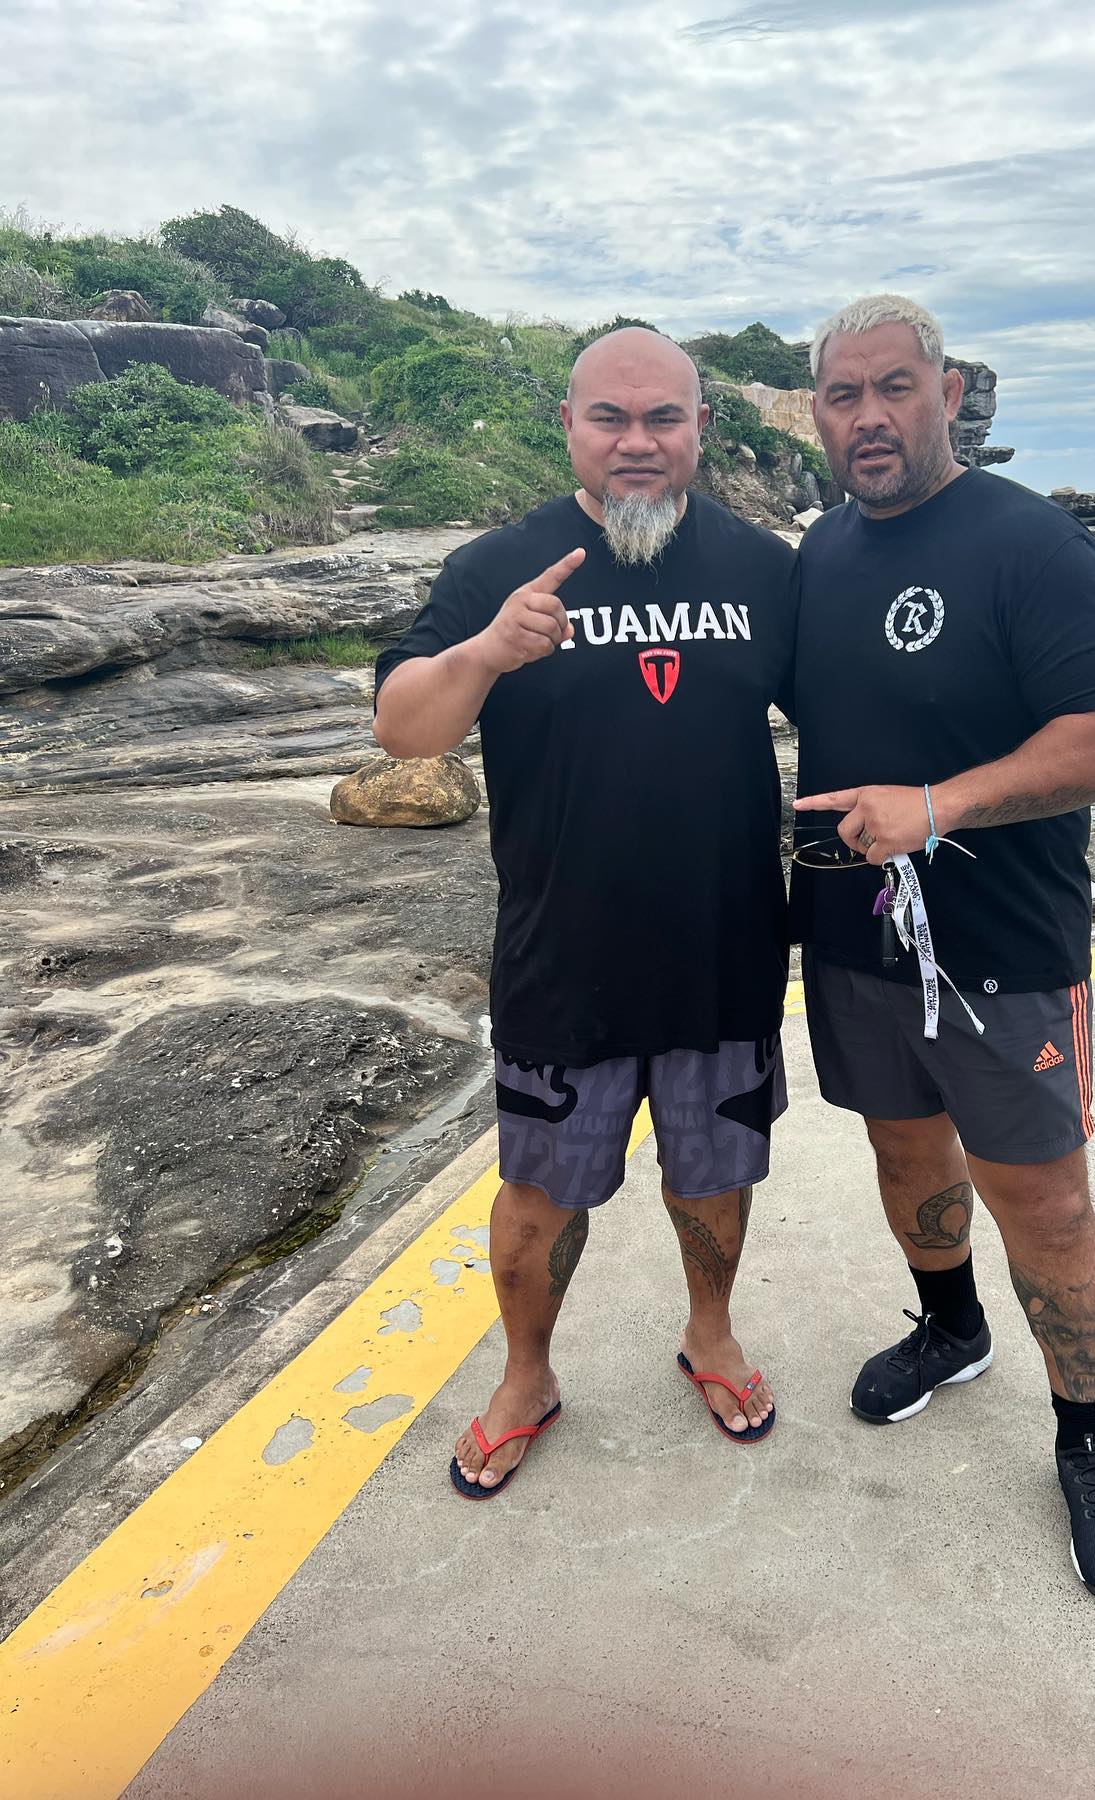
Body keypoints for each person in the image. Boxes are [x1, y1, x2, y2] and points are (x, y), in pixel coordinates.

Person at [789, 294, 1095, 1599]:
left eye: (895, 388)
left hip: (1005, 948)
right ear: (819, 415)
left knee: (1045, 1200)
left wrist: (938, 809)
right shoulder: (818, 556)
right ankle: (950, 1331)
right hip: (852, 941)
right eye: (844, 397)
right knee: (904, 1152)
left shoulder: (1031, 544)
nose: (871, 418)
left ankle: (1089, 1440)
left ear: (948, 393)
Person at [373, 327, 796, 1496]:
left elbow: (859, 712)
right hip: (563, 958)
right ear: (568, 425)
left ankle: (710, 1335)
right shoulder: (498, 567)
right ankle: (526, 1376)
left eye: (664, 418)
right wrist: (486, 652)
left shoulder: (764, 570)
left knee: (714, 1176)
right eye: (611, 417)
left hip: (725, 951)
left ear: (701, 429)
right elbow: (403, 729)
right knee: (539, 1193)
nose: (638, 443)